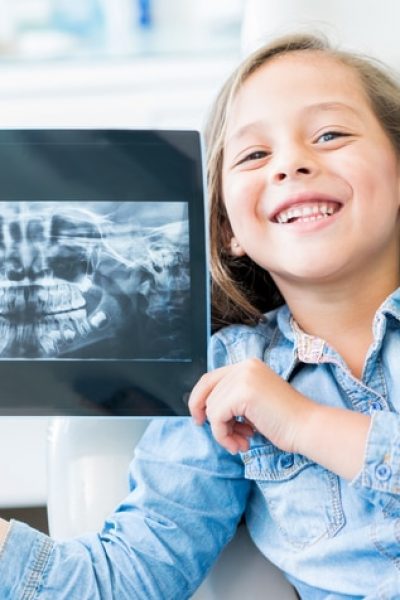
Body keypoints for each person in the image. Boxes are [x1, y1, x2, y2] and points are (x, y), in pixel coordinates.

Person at [1, 32, 400, 599]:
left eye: (330, 134)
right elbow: (127, 581)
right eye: (254, 155)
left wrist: (305, 424)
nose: (290, 164)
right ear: (227, 230)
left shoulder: (269, 400)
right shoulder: (221, 377)